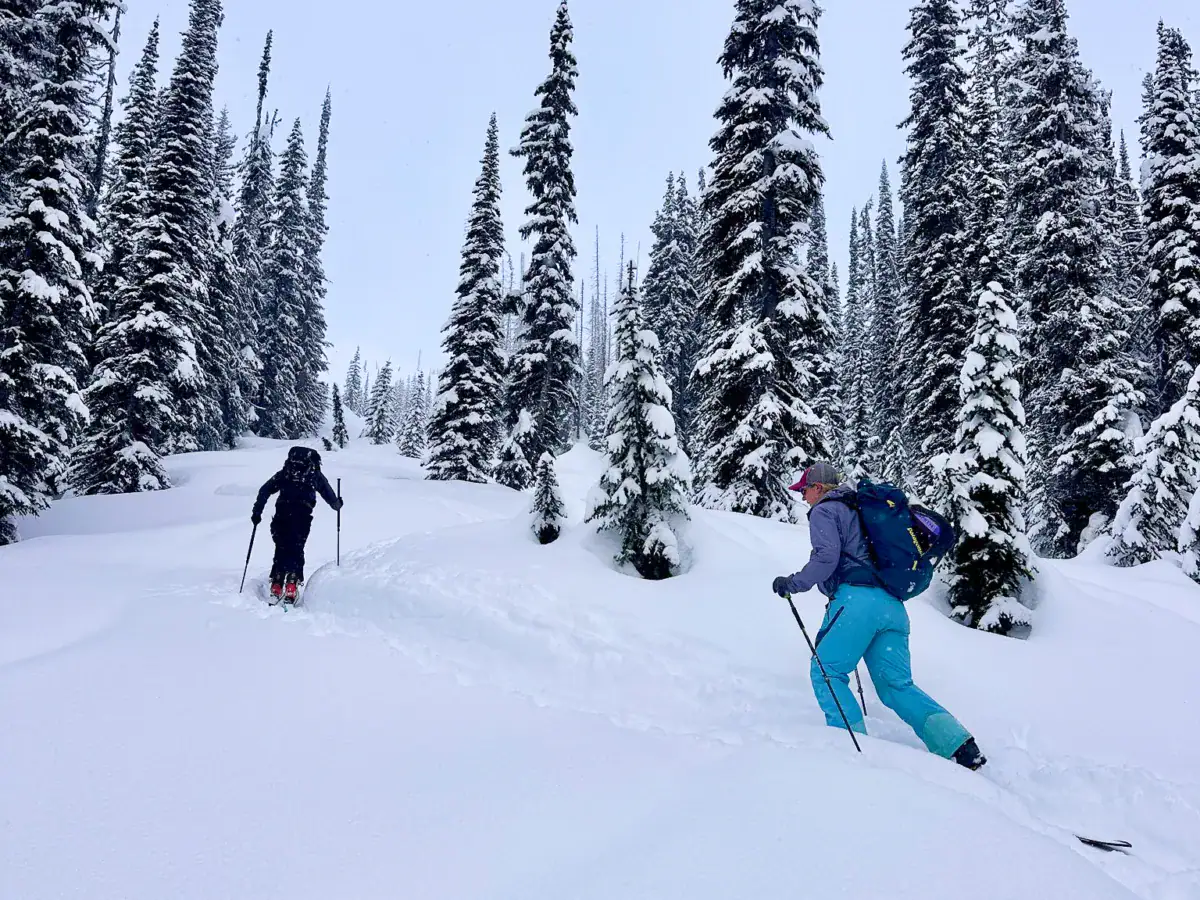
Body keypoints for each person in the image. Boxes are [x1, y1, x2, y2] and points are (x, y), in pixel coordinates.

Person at [772, 462, 986, 770]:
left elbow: (826, 558)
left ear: (818, 487)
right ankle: (961, 747)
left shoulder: (825, 510)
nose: (804, 497)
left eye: (805, 490)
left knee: (827, 672)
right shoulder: (863, 509)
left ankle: (848, 753)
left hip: (856, 602)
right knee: (896, 685)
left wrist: (793, 583)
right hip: (891, 607)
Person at [251, 446, 343, 602]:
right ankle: (292, 584)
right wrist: (336, 504)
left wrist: (257, 512)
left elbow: (264, 490)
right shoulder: (314, 474)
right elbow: (327, 492)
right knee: (297, 546)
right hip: (302, 514)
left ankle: (277, 583)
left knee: (281, 546)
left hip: (282, 512)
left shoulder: (285, 473)